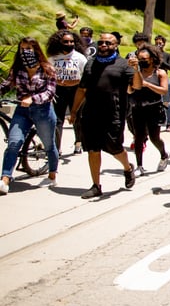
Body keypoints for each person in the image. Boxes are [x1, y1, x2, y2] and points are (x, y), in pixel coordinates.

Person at [69, 32, 136, 198]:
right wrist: (74, 111)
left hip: (114, 114)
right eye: (101, 43)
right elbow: (82, 89)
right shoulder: (91, 64)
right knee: (93, 149)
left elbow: (135, 86)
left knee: (115, 148)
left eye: (108, 43)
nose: (103, 46)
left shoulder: (123, 65)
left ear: (115, 45)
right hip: (91, 113)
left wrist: (135, 69)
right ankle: (96, 185)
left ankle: (127, 168)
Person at [0, 37, 60, 194]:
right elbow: (6, 85)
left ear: (36, 50)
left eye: (29, 49)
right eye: (22, 49)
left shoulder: (48, 69)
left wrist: (32, 98)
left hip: (43, 111)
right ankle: (5, 179)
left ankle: (52, 174)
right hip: (22, 111)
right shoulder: (17, 69)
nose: (25, 52)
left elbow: (50, 92)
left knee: (49, 145)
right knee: (13, 143)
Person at [126, 44, 170, 175]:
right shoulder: (135, 72)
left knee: (154, 137)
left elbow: (164, 90)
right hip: (137, 107)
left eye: (144, 58)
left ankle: (164, 154)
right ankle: (139, 165)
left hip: (154, 108)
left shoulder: (160, 73)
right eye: (140, 58)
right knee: (138, 137)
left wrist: (147, 84)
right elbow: (130, 90)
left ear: (152, 59)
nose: (142, 61)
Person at [47, 30, 88, 155]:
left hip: (77, 91)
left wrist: (75, 82)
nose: (69, 44)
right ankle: (57, 148)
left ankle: (78, 143)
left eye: (71, 41)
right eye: (66, 41)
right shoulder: (53, 58)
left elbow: (85, 76)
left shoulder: (80, 58)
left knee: (77, 118)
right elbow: (48, 74)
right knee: (58, 119)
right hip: (60, 90)